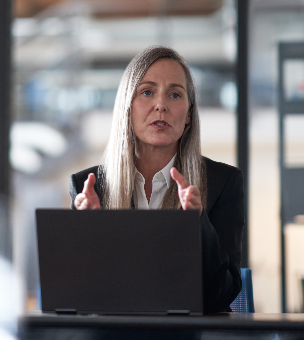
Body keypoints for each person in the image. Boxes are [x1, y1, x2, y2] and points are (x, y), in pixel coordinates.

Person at [69, 45, 245, 314]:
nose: (161, 105)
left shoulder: (223, 182)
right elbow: (79, 297)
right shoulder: (89, 186)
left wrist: (198, 223)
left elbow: (221, 296)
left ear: (188, 115)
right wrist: (93, 231)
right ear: (127, 107)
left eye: (175, 94)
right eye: (147, 92)